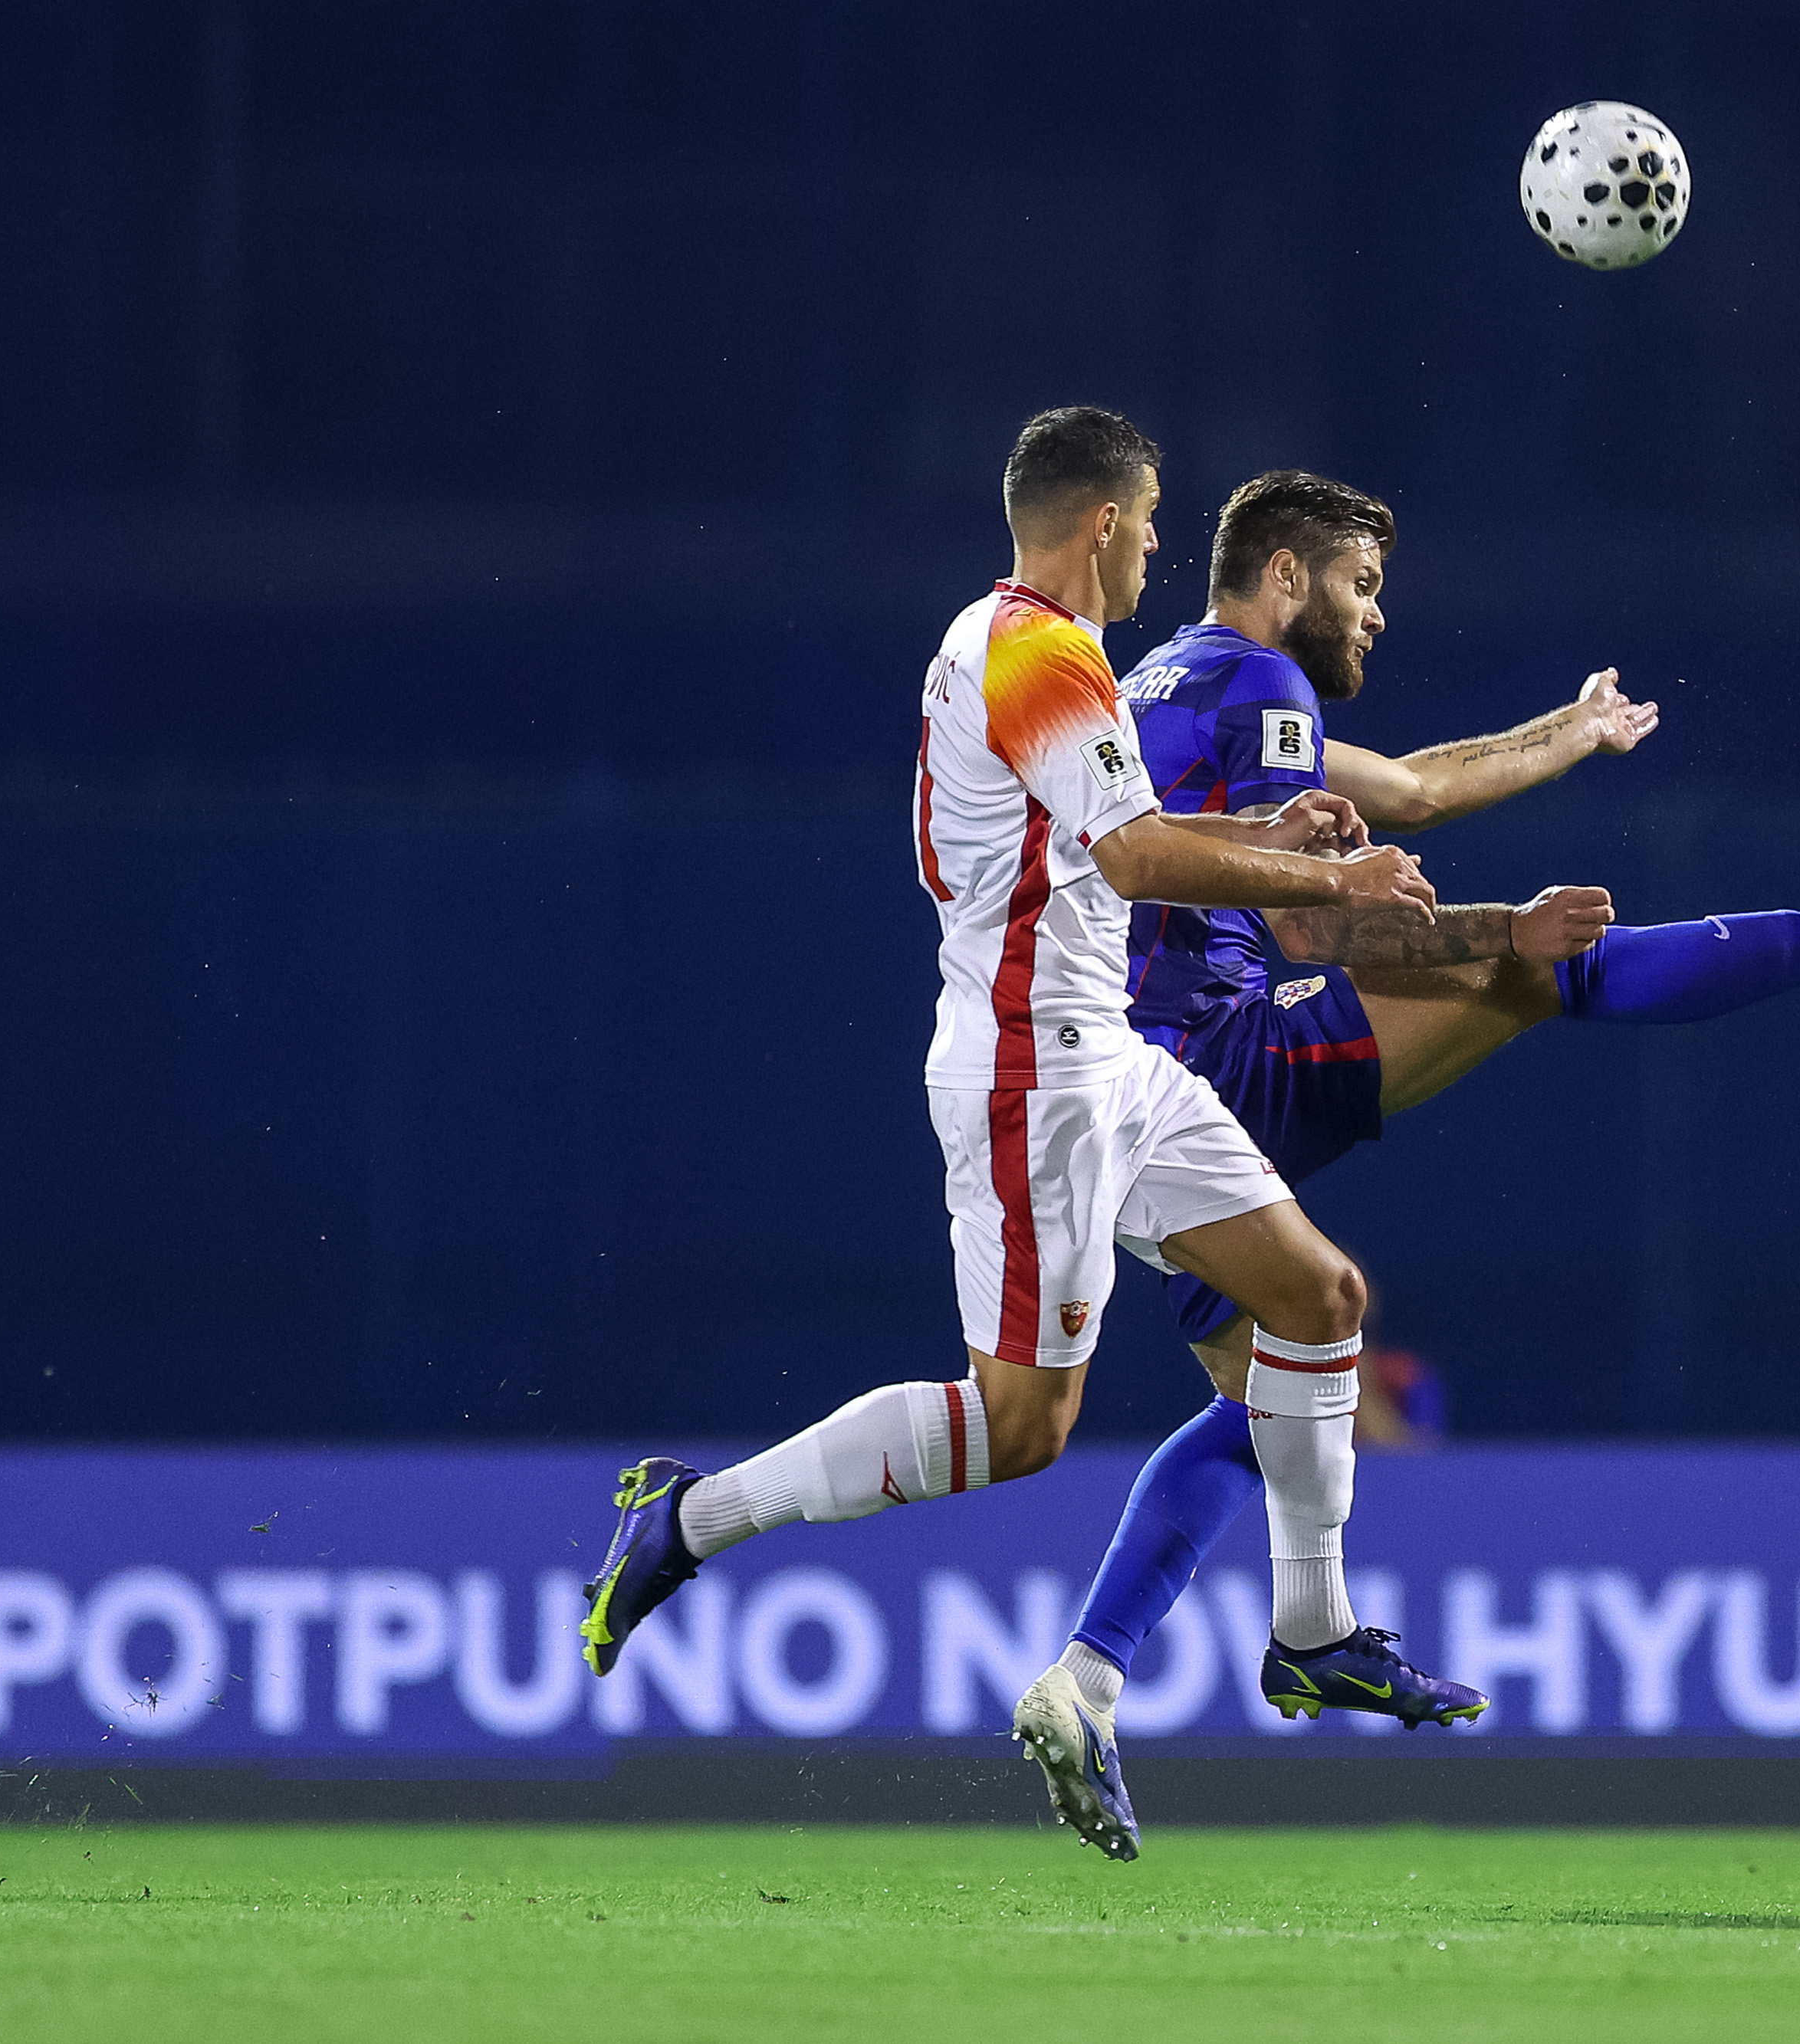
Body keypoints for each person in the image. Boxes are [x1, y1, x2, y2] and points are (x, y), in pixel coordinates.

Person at [1016, 468, 1800, 1857]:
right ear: (1285, 576)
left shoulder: (1164, 678)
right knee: (1550, 973)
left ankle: (1088, 1677)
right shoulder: (1260, 683)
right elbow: (1315, 929)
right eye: (1360, 585)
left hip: (1113, 1104)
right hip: (1210, 1061)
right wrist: (1502, 928)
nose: (1376, 615)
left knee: (1272, 1410)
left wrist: (1576, 729)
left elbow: (1415, 789)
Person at [572, 409, 1462, 1855]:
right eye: (1156, 518)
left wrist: (1284, 850)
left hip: (1105, 1055)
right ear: (1102, 521)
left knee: (1319, 1297)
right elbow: (1136, 853)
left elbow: (1128, 845)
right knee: (1022, 1426)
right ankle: (692, 1516)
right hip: (1027, 1076)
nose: (1165, 543)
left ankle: (1312, 1630)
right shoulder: (1035, 649)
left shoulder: (1050, 653)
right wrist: (1296, 860)